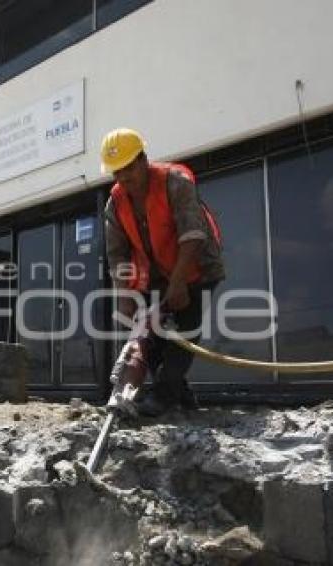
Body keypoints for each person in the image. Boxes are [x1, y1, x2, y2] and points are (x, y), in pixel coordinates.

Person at [101, 128, 225, 416]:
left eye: (129, 168)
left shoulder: (175, 183)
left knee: (184, 331)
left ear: (143, 159)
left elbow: (193, 234)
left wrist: (180, 282)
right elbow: (117, 254)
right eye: (117, 171)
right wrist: (125, 293)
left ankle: (164, 397)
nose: (124, 177)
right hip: (156, 274)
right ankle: (179, 396)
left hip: (197, 265)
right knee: (150, 336)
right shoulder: (115, 203)